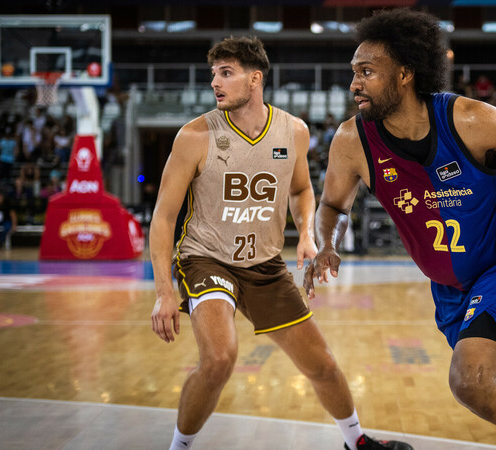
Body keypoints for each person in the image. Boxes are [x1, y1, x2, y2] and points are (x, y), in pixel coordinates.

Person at [304, 9, 496, 450]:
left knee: (471, 380)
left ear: (406, 73)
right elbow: (333, 205)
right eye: (354, 72)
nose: (354, 84)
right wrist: (327, 244)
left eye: (367, 72)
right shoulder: (352, 141)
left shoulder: (469, 120)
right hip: (451, 290)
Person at [149, 36, 412, 450]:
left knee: (322, 365)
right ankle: (178, 447)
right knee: (219, 357)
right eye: (213, 74)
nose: (215, 82)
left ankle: (356, 442)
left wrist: (306, 233)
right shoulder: (194, 136)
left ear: (255, 79)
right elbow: (163, 218)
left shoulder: (293, 131)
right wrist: (164, 291)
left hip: (265, 265)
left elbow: (302, 191)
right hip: (206, 259)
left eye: (226, 72)